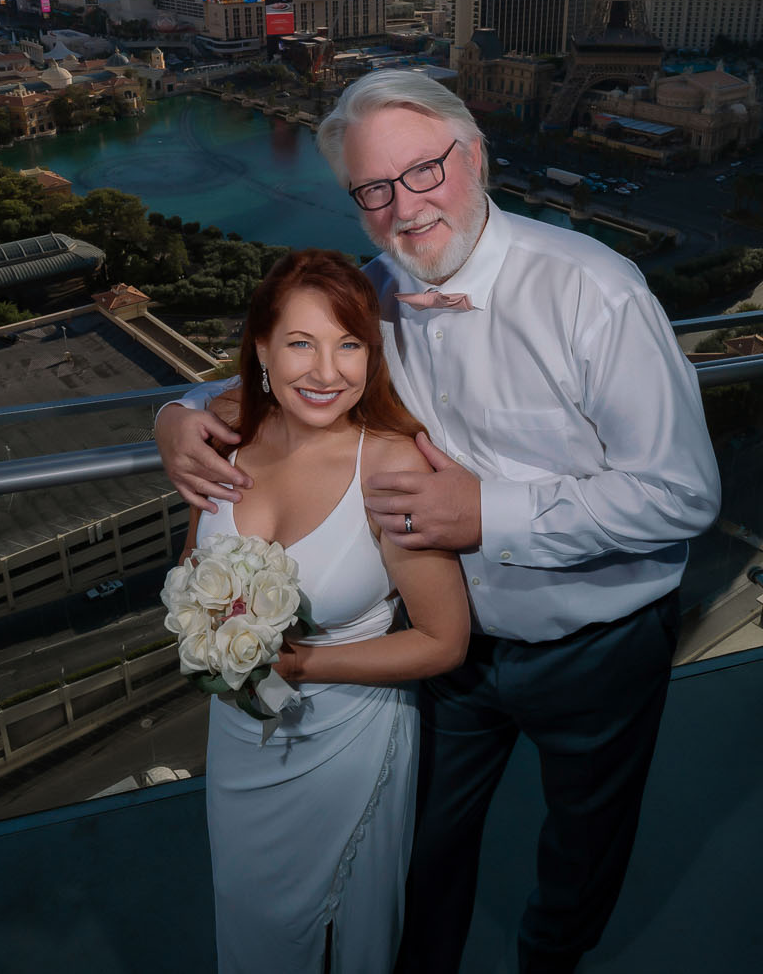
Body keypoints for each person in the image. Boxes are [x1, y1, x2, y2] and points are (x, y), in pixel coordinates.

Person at [159, 70, 722, 974]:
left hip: (597, 644)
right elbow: (278, 366)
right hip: (449, 655)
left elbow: (683, 492)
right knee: (419, 857)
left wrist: (486, 511)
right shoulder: (375, 297)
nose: (405, 207)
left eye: (425, 171)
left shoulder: (595, 291)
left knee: (581, 852)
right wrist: (176, 415)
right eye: (374, 190)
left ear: (478, 156)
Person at [186, 248, 470, 974]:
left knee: (344, 936)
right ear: (261, 348)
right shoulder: (224, 443)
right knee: (250, 921)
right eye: (301, 343)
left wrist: (301, 662)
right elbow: (194, 575)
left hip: (346, 742)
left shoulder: (391, 464)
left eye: (350, 344)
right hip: (238, 747)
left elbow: (443, 641)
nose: (326, 370)